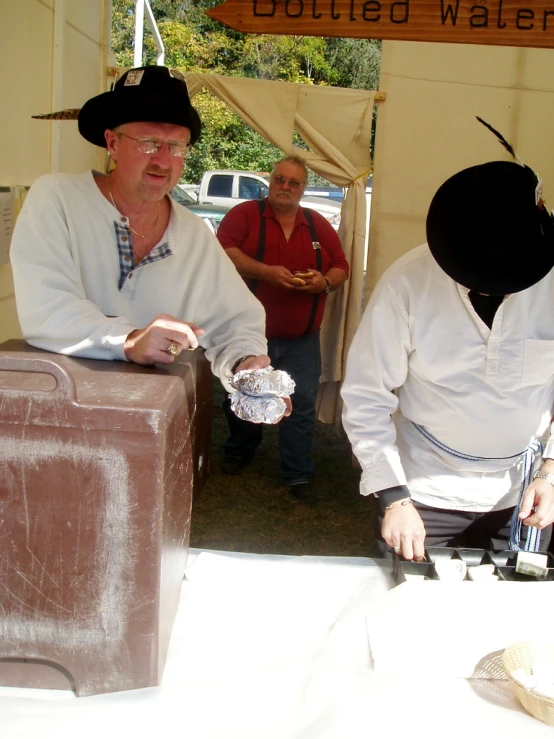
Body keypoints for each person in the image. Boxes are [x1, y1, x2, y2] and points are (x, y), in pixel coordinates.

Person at [10, 65, 280, 402]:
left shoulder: (193, 234)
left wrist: (244, 362)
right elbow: (47, 308)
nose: (164, 162)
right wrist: (129, 340)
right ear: (112, 142)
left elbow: (234, 320)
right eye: (149, 142)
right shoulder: (58, 199)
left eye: (177, 146)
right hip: (61, 411)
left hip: (150, 420)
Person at [341, 147, 554, 559]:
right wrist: (394, 498)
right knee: (410, 611)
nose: (492, 284)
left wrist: (552, 473)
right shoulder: (407, 283)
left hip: (524, 494)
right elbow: (367, 396)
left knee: (510, 617)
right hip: (423, 491)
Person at [216, 156, 349, 502]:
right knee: (242, 394)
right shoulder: (244, 215)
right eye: (280, 179)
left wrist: (323, 282)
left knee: (302, 403)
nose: (285, 187)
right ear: (270, 181)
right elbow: (223, 251)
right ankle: (239, 451)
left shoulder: (317, 224)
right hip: (250, 336)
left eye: (294, 183)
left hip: (302, 338)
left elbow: (341, 267)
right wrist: (265, 272)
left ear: (303, 189)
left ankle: (297, 472)